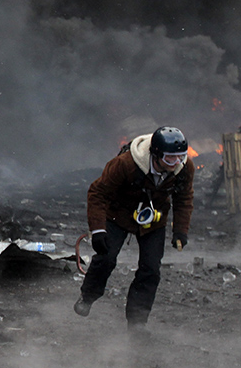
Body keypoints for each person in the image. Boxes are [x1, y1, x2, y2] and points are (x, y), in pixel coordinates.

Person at [74, 126, 195, 328]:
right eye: (169, 158)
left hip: (153, 219)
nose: (175, 164)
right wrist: (98, 230)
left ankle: (137, 322)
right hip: (118, 215)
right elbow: (97, 193)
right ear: (155, 154)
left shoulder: (184, 168)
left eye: (180, 157)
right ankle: (87, 297)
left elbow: (184, 198)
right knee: (106, 258)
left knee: (150, 269)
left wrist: (180, 230)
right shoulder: (125, 164)